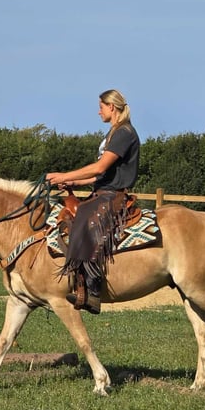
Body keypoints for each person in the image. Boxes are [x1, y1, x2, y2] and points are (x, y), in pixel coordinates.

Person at [46, 89, 140, 314]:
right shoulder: (114, 133)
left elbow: (99, 167)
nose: (98, 111)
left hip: (112, 195)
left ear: (112, 107)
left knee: (85, 224)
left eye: (101, 106)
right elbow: (100, 175)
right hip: (102, 191)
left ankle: (92, 289)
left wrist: (64, 176)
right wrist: (75, 185)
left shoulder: (124, 133)